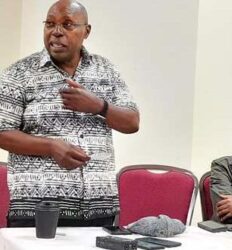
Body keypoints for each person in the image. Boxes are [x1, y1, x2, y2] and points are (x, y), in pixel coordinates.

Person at [0, 0, 139, 227]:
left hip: (99, 210)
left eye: (67, 25)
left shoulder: (106, 70)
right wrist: (51, 146)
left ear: (87, 31)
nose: (56, 32)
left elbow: (132, 122)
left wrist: (99, 106)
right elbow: (2, 132)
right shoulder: (19, 73)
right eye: (50, 24)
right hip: (37, 211)